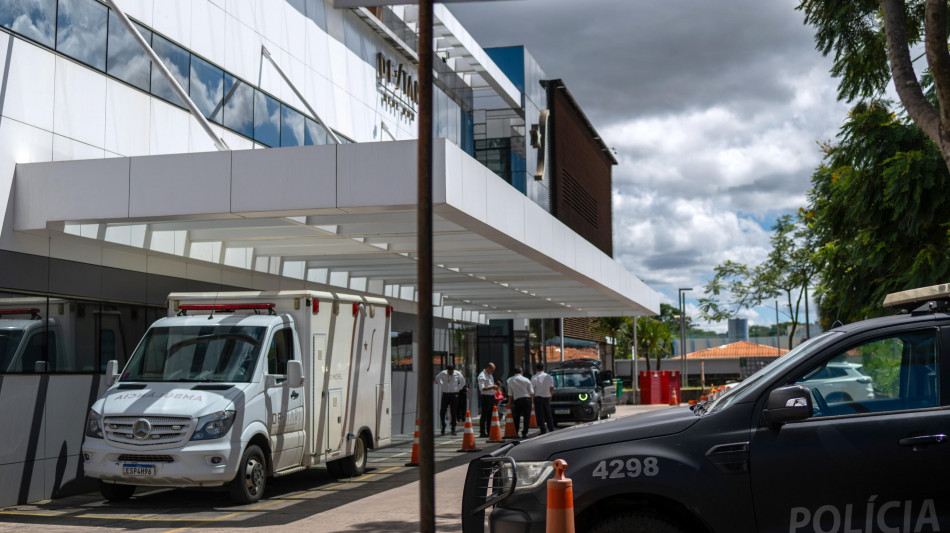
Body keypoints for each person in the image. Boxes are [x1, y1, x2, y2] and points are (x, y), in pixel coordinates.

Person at [434, 364, 465, 435]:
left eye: (451, 371)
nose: (450, 372)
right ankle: (443, 425)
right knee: (442, 411)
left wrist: (458, 389)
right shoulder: (443, 373)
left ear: (453, 370)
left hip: (454, 394)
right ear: (447, 370)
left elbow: (463, 382)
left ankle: (453, 428)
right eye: (449, 371)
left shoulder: (457, 374)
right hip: (445, 394)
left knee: (453, 412)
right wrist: (441, 384)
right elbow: (437, 378)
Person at [506, 367, 534, 438]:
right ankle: (525, 433)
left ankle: (516, 432)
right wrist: (532, 401)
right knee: (526, 417)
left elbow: (510, 393)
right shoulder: (526, 379)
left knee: (516, 417)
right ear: (521, 372)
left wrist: (509, 402)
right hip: (527, 399)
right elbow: (531, 392)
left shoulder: (509, 380)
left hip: (517, 400)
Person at [530, 362, 555, 434]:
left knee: (540, 415)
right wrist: (551, 395)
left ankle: (543, 430)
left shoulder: (534, 377)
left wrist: (532, 399)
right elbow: (551, 387)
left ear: (536, 368)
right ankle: (551, 428)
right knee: (548, 414)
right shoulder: (549, 376)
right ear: (543, 368)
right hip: (547, 397)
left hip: (538, 398)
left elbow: (532, 390)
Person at [476, 362, 498, 437]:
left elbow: (491, 384)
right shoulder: (482, 376)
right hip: (486, 397)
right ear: (488, 368)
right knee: (484, 415)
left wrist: (494, 388)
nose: (492, 372)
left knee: (490, 415)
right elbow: (482, 388)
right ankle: (482, 431)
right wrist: (492, 387)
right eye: (492, 370)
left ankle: (489, 431)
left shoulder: (490, 374)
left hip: (491, 396)